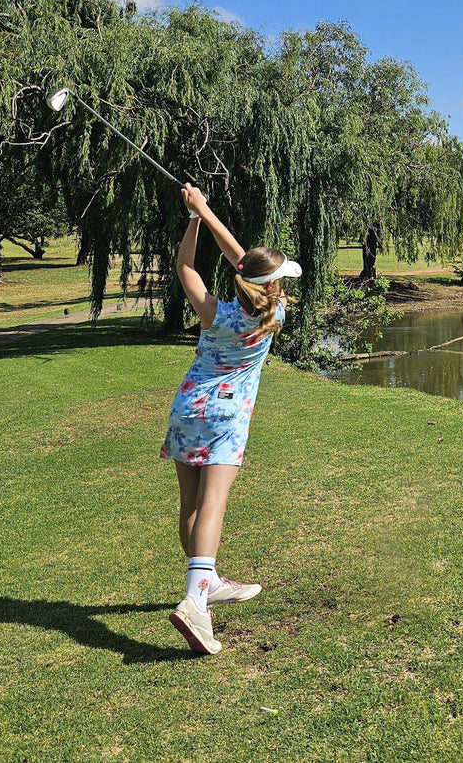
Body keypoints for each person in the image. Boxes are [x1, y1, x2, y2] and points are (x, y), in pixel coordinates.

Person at [161, 183, 301, 654]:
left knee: (190, 505)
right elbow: (241, 260)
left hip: (187, 410)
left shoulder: (213, 314)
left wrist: (195, 218)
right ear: (273, 286)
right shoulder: (274, 314)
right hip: (225, 418)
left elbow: (187, 267)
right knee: (214, 505)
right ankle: (195, 602)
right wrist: (206, 209)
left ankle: (208, 581)